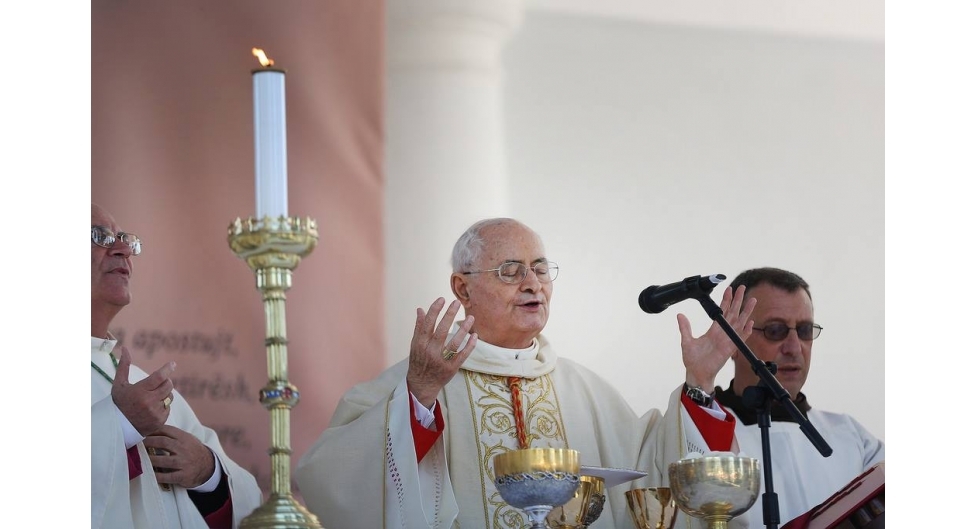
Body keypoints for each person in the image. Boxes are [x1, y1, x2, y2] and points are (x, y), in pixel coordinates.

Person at [295, 218, 756, 528]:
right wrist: (419, 398)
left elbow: (655, 475)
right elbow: (333, 477)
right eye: (511, 271)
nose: (533, 284)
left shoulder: (584, 391)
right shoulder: (420, 382)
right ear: (463, 289)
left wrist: (700, 384)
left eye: (539, 270)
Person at [657, 267, 886, 528]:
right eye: (775, 331)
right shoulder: (704, 430)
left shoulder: (852, 438)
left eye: (804, 330)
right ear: (734, 340)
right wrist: (701, 380)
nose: (794, 347)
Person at [91, 203, 263, 528]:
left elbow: (251, 506)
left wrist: (207, 472)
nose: (123, 250)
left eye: (124, 239)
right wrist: (120, 425)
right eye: (99, 236)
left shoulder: (139, 383)